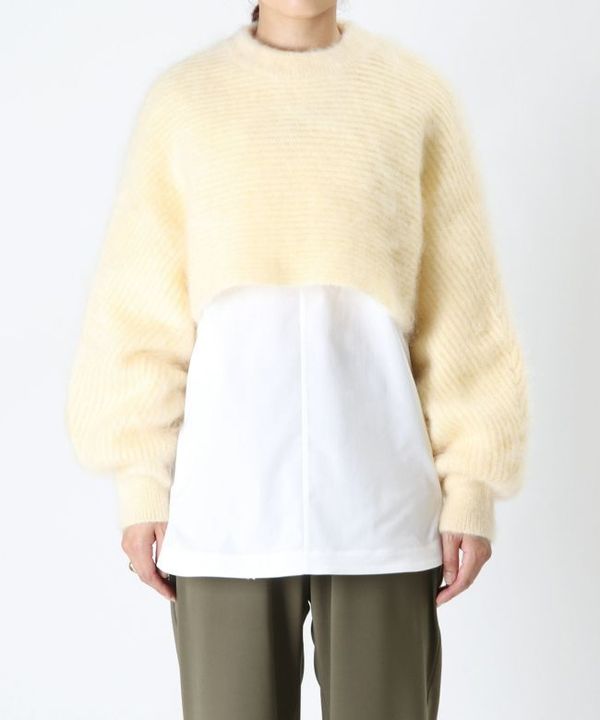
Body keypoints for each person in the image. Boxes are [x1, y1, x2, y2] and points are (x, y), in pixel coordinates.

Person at [65, 2, 529, 718]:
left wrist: (470, 485)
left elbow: (465, 315)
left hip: (380, 505)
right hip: (225, 509)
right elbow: (136, 315)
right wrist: (141, 483)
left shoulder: (411, 97)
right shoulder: (185, 102)